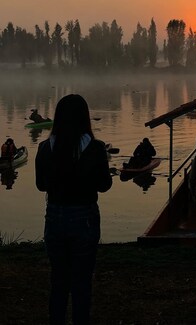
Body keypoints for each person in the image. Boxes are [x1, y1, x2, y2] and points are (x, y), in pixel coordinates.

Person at [35, 94, 112, 325]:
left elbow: (41, 185)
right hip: (84, 219)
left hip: (55, 217)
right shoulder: (96, 148)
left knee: (58, 280)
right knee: (81, 282)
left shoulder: (45, 148)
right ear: (84, 118)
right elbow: (104, 185)